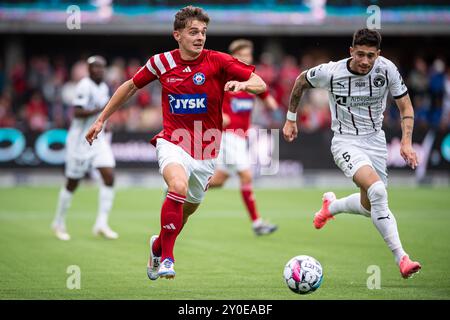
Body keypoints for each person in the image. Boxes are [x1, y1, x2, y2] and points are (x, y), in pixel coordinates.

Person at [85, 6, 266, 280]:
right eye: (193, 32)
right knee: (177, 186)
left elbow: (259, 82)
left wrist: (243, 86)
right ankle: (167, 258)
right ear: (177, 35)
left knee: (187, 210)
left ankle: (158, 245)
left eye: (203, 32)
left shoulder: (218, 61)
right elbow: (130, 86)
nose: (200, 37)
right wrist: (101, 119)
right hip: (173, 141)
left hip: (207, 148)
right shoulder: (161, 63)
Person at [282, 28, 421, 279]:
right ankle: (403, 258)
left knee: (370, 207)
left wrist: (407, 142)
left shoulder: (386, 69)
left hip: (376, 141)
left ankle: (331, 207)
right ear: (351, 51)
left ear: (378, 54)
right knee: (378, 191)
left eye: (371, 55)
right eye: (360, 54)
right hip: (345, 142)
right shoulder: (332, 72)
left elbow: (406, 106)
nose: (365, 61)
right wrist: (291, 119)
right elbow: (301, 80)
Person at [208, 39, 278, 236]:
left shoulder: (251, 80)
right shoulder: (225, 80)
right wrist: (220, 116)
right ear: (234, 58)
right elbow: (212, 102)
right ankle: (257, 223)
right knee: (246, 175)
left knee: (220, 180)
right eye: (243, 56)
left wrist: (271, 103)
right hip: (230, 136)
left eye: (249, 55)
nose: (247, 59)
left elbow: (264, 94)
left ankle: (183, 189)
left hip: (240, 138)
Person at [52, 55, 118, 241]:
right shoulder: (84, 85)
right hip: (80, 141)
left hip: (99, 139)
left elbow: (102, 113)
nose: (99, 70)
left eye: (102, 67)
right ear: (89, 70)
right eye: (95, 67)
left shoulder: (104, 87)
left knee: (109, 175)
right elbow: (77, 112)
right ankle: (58, 222)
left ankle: (101, 223)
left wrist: (105, 121)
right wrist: (102, 110)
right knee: (73, 182)